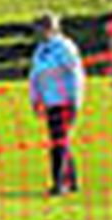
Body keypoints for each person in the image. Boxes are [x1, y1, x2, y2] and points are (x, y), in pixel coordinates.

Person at [28, 12, 85, 196]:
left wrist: (76, 100)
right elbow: (34, 76)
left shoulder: (65, 47)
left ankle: (59, 184)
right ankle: (72, 181)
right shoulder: (40, 50)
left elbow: (76, 74)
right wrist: (35, 99)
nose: (36, 32)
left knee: (58, 143)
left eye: (39, 27)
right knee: (60, 141)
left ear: (49, 28)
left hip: (64, 101)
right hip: (50, 102)